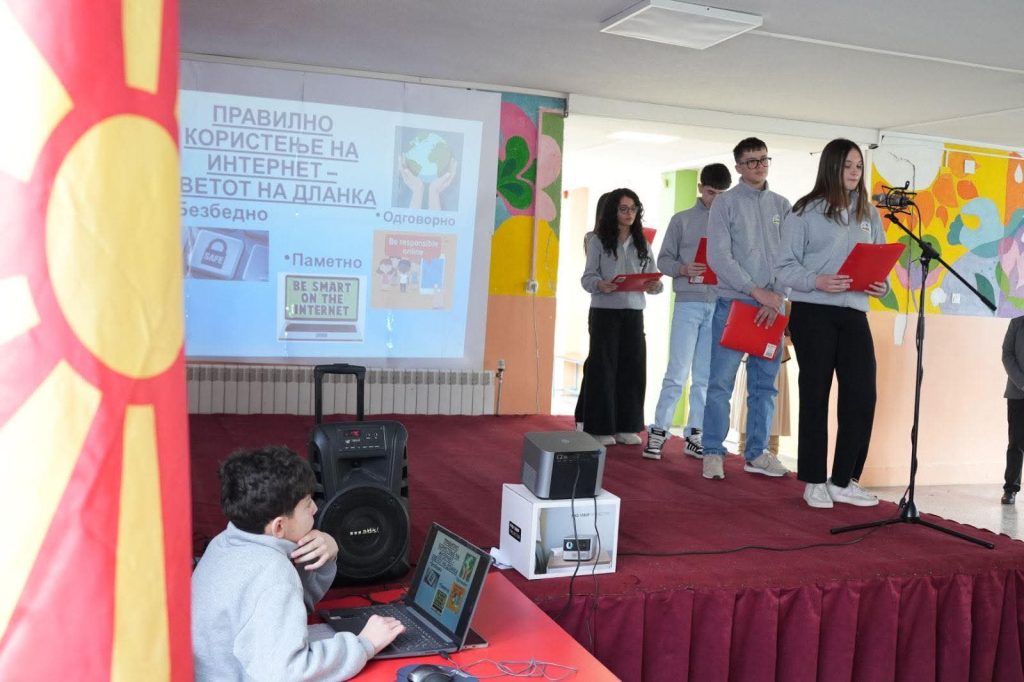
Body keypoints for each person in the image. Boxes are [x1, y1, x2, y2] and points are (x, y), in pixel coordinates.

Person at [192, 446, 405, 680]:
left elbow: (288, 613)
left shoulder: (223, 543)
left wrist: (322, 557)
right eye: (307, 504)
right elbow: (288, 672)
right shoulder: (272, 573)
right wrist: (365, 643)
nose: (315, 508)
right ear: (279, 526)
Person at [775, 138, 887, 508]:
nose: (854, 172)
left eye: (859, 166)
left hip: (855, 312)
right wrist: (816, 280)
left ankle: (843, 480)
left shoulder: (869, 214)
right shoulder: (805, 211)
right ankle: (813, 479)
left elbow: (879, 263)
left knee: (862, 394)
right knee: (815, 393)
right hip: (813, 312)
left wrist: (881, 285)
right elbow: (783, 268)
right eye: (847, 166)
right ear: (831, 167)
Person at [702, 137, 791, 480]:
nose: (759, 166)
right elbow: (719, 257)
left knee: (765, 387)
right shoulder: (725, 204)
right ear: (738, 166)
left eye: (764, 159)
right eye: (751, 161)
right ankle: (713, 451)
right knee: (720, 384)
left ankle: (757, 453)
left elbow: (792, 256)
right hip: (735, 304)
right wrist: (757, 292)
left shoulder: (782, 205)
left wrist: (777, 295)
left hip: (772, 309)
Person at [644, 164, 732, 460]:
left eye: (721, 194)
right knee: (677, 372)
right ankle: (659, 431)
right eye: (711, 193)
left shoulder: (732, 221)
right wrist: (682, 268)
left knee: (705, 376)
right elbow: (663, 260)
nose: (715, 199)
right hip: (688, 303)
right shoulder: (681, 220)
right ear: (700, 188)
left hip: (718, 303)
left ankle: (695, 433)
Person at [580, 188, 663, 446]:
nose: (629, 214)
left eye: (633, 209)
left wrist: (655, 285)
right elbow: (587, 277)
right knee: (603, 368)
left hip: (634, 312)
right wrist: (599, 284)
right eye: (623, 209)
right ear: (613, 211)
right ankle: (599, 427)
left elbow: (654, 277)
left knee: (633, 368)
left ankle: (627, 426)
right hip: (604, 312)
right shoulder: (597, 240)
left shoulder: (642, 242)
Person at [574, 191, 613, 430]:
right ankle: (583, 415)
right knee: (597, 363)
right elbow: (593, 272)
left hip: (624, 308)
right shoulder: (594, 238)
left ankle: (612, 419)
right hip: (600, 307)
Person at [1001, 316, 1024, 504]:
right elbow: (1007, 355)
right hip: (1018, 393)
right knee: (1015, 443)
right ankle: (1011, 489)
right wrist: (1022, 383)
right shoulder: (1016, 324)